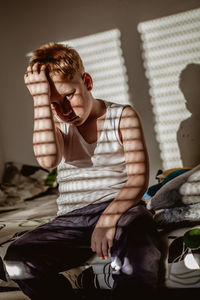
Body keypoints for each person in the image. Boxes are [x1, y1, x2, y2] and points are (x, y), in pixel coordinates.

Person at [4, 43, 161, 299]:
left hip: (120, 207)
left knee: (139, 247)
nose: (65, 111)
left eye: (69, 96)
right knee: (17, 258)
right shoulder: (57, 123)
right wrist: (39, 100)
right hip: (72, 218)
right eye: (54, 104)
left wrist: (107, 221)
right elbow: (47, 160)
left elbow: (138, 180)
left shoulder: (122, 116)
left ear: (87, 81)